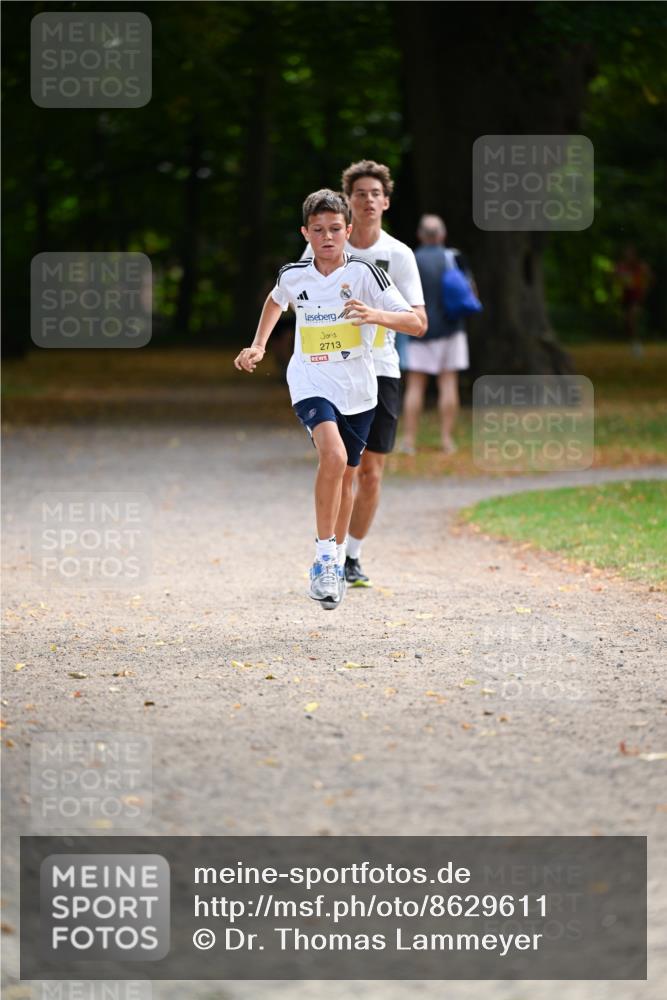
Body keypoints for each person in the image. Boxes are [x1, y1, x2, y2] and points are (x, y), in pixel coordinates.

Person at [234, 189, 421, 610]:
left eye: (335, 229)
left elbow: (415, 322)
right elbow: (275, 300)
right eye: (317, 230)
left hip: (358, 388)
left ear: (348, 231)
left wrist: (375, 315)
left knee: (349, 474)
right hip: (310, 379)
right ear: (306, 233)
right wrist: (259, 345)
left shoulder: (367, 275)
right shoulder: (294, 274)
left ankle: (335, 562)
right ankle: (322, 559)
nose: (327, 237)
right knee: (333, 458)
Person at [338, 160, 427, 587]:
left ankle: (353, 555)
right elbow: (297, 299)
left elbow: (418, 322)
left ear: (386, 202)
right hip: (335, 369)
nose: (368, 200)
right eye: (360, 194)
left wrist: (374, 315)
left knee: (371, 471)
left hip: (383, 370)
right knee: (344, 468)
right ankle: (330, 554)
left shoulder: (398, 255)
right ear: (349, 202)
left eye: (375, 193)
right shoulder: (329, 244)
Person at [399, 214, 471, 456]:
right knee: (448, 384)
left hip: (420, 330)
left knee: (415, 387)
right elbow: (470, 291)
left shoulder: (411, 260)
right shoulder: (454, 258)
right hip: (452, 329)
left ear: (420, 235)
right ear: (442, 235)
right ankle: (447, 440)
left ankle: (409, 441)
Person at [614, 244, 652, 358]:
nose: (628, 256)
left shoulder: (640, 266)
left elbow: (650, 278)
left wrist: (644, 287)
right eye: (626, 253)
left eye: (630, 254)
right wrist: (618, 277)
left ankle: (637, 344)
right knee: (627, 322)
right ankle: (634, 342)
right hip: (626, 298)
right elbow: (615, 277)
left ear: (634, 255)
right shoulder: (622, 266)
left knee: (631, 318)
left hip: (637, 298)